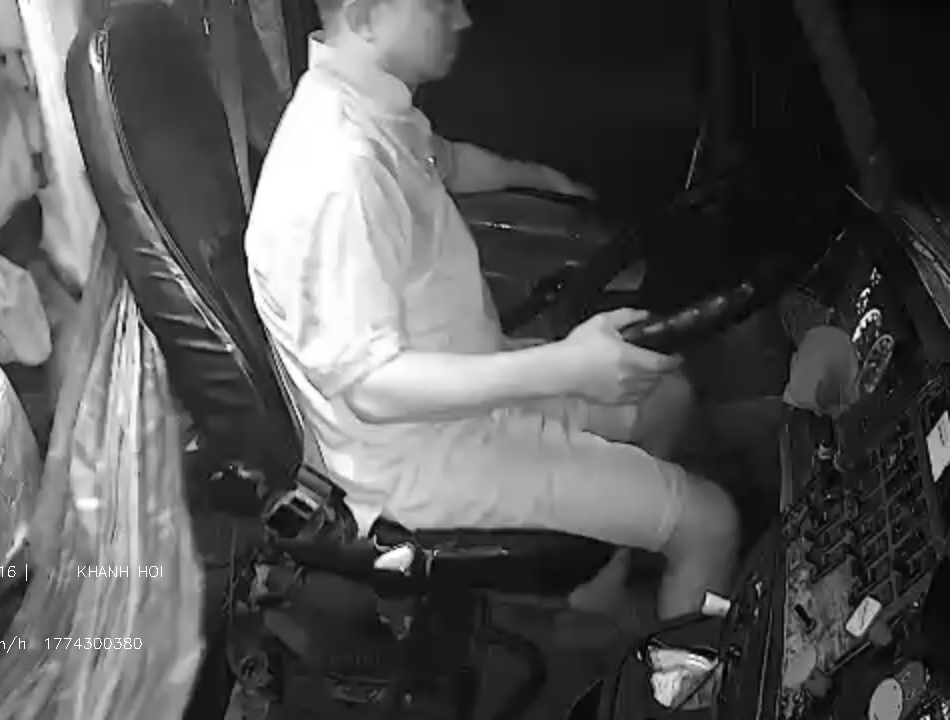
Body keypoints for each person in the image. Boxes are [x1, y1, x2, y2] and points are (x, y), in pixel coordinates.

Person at [243, 0, 740, 622]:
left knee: (667, 397)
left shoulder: (366, 103)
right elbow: (370, 386)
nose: (462, 19)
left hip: (460, 395)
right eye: (438, 4)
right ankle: (686, 667)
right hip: (421, 458)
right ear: (366, 16)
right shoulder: (340, 172)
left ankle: (595, 590)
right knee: (711, 524)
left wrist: (548, 182)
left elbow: (446, 161)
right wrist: (570, 366)